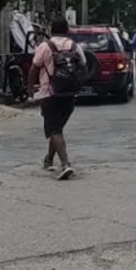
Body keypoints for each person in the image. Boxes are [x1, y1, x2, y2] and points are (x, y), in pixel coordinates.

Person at [29, 16, 83, 180]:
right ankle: (49, 159)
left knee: (54, 129)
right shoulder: (75, 46)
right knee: (57, 128)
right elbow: (84, 66)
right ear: (67, 30)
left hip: (50, 93)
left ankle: (66, 165)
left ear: (51, 30)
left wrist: (30, 87)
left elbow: (34, 68)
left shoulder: (45, 46)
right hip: (69, 94)